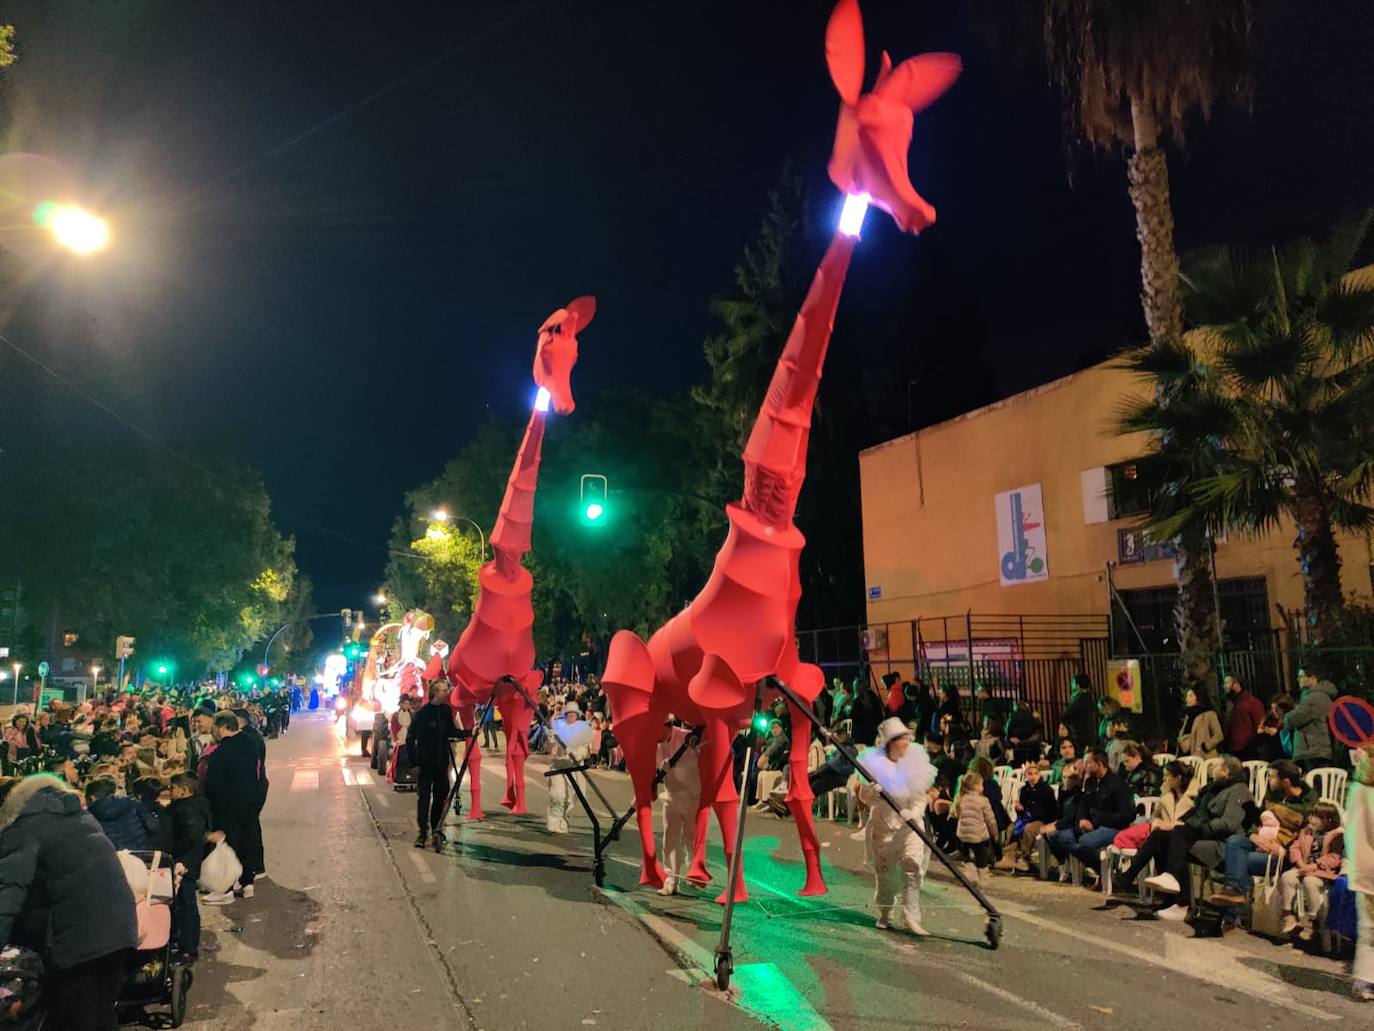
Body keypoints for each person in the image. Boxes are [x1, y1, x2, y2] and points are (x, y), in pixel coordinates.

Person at [0, 774, 138, 1031]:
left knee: (76, 1017)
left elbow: (7, 894)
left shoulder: (24, 828)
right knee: (103, 1012)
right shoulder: (80, 818)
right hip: (120, 927)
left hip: (80, 939)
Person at [1143, 755, 1252, 919]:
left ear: (1225, 771)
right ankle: (1173, 900)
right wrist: (1189, 824)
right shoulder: (1213, 788)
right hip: (1206, 835)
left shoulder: (1239, 790)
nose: (1212, 768)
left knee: (1176, 842)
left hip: (1222, 843)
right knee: (1166, 838)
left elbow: (1228, 824)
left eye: (1216, 765)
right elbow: (1198, 814)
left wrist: (1198, 827)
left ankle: (1182, 904)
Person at [859, 717, 934, 934]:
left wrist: (914, 813)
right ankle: (885, 911)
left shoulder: (915, 764)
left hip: (910, 827)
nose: (907, 742)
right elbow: (865, 796)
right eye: (902, 739)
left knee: (912, 867)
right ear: (891, 742)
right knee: (886, 875)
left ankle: (911, 917)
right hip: (884, 828)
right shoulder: (874, 765)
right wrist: (872, 793)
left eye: (908, 738)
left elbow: (921, 797)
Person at [1208, 758, 1316, 908]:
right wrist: (1253, 835)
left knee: (1236, 860)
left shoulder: (1308, 804)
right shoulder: (1273, 794)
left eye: (1272, 777)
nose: (1268, 780)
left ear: (1285, 782)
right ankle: (1234, 896)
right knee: (1234, 841)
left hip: (1282, 856)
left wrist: (1283, 850)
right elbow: (1257, 818)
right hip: (1261, 843)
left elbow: (1307, 837)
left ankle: (1232, 904)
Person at [1048, 748, 1135, 886]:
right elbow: (1083, 804)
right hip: (1091, 825)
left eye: (1088, 763)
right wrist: (1082, 819)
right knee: (1059, 835)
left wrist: (1100, 821)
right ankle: (1102, 870)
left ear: (1099, 764)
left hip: (1112, 827)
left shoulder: (1118, 784)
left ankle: (1105, 873)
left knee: (1085, 841)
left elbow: (1128, 814)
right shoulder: (1090, 783)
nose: (1085, 765)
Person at [204, 710, 266, 899]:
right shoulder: (250, 743)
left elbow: (213, 784)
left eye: (215, 727)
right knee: (247, 839)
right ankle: (247, 883)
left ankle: (226, 887)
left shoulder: (222, 751)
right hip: (250, 800)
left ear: (222, 727)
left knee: (231, 844)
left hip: (227, 804)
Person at [1111, 760, 1197, 895]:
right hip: (1168, 834)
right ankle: (1166, 897)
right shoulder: (1167, 795)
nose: (1164, 779)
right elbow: (1155, 816)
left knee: (1158, 837)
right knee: (1158, 840)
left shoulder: (1195, 797)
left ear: (1178, 778)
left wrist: (1169, 825)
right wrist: (1157, 823)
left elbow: (1193, 822)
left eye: (1167, 775)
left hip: (1186, 836)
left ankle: (1129, 875)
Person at [1274, 801, 1345, 940]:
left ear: (1328, 820)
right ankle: (1288, 914)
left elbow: (1334, 858)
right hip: (1304, 867)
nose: (1311, 819)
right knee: (1287, 876)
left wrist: (1313, 867)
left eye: (1316, 816)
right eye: (1311, 815)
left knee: (1309, 881)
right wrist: (1300, 864)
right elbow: (1295, 847)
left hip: (1323, 872)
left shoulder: (1336, 835)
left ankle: (1313, 920)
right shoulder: (1306, 832)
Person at [409, 681, 463, 849]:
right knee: (424, 799)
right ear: (435, 692)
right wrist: (414, 762)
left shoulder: (446, 711)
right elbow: (411, 738)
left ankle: (436, 829)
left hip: (441, 763)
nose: (447, 693)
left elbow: (451, 732)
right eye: (444, 690)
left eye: (447, 690)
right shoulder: (422, 714)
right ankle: (422, 833)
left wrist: (468, 733)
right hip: (425, 764)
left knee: (440, 798)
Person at [168, 771, 211, 961]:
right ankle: (189, 942)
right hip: (194, 858)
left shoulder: (182, 809)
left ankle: (188, 947)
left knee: (185, 903)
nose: (170, 791)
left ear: (184, 790)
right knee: (188, 902)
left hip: (185, 861)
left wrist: (172, 850)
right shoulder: (200, 803)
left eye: (173, 788)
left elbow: (191, 835)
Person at [1344, 742, 1374, 1002]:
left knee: (1368, 926)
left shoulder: (1357, 789)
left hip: (1362, 867)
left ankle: (1364, 979)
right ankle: (1365, 980)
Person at [656, 722, 701, 896]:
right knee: (670, 839)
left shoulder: (688, 736)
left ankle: (694, 871)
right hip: (671, 796)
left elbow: (700, 758)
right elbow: (656, 768)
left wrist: (677, 761)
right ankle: (671, 880)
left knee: (692, 838)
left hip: (692, 797)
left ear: (667, 726)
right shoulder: (657, 745)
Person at [546, 702, 594, 834]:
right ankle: (554, 822)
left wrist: (576, 754)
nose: (570, 717)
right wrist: (551, 739)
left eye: (573, 714)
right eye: (568, 714)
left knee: (571, 797)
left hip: (574, 768)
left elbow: (585, 751)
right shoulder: (558, 729)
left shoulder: (583, 730)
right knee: (558, 795)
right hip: (559, 767)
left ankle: (563, 818)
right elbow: (550, 748)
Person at [1005, 763, 1058, 873]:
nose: (1033, 776)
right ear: (1026, 776)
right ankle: (1009, 856)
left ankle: (1025, 858)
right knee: (1011, 827)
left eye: (1035, 774)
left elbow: (1049, 811)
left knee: (1028, 829)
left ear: (1039, 775)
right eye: (1030, 774)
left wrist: (1026, 812)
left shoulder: (1046, 790)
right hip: (1026, 817)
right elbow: (1023, 809)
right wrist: (1018, 808)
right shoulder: (1024, 790)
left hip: (1042, 820)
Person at [1285, 667, 1336, 772]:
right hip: (1315, 750)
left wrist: (1286, 717)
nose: (1298, 680)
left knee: (1316, 784)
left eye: (1301, 676)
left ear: (1313, 678)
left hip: (1314, 751)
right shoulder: (1318, 696)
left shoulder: (1314, 698)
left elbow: (1292, 719)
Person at [954, 772, 998, 889]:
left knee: (967, 857)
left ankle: (970, 873)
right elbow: (990, 820)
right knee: (982, 860)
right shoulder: (983, 801)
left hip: (963, 835)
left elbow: (957, 815)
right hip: (979, 836)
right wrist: (995, 833)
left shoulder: (960, 799)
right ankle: (983, 879)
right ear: (977, 785)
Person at [86, 776, 151, 851]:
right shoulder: (131, 803)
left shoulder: (90, 815)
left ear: (92, 797)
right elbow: (152, 826)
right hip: (143, 853)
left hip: (114, 857)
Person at [1222, 675, 1266, 760]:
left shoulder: (1251, 702)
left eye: (1227, 682)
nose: (1224, 686)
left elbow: (1260, 725)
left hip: (1248, 750)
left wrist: (1252, 743)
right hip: (1234, 749)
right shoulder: (1230, 704)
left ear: (1236, 684)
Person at [1176, 688, 1223, 759]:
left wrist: (1205, 746)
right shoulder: (1188, 716)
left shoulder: (1209, 714)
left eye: (1190, 696)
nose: (1187, 699)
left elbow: (1219, 735)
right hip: (1188, 756)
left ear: (1198, 698)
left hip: (1204, 757)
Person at [808, 727, 854, 796]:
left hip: (840, 777)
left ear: (841, 736)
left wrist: (813, 776)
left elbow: (831, 765)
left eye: (835, 739)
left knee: (815, 785)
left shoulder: (848, 749)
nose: (833, 741)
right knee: (814, 783)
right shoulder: (841, 748)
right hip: (835, 774)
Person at [1060, 674, 1096, 753]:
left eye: (1073, 683)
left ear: (1078, 685)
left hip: (1080, 738)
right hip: (1090, 736)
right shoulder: (1090, 698)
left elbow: (1065, 716)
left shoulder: (1080, 700)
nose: (1071, 685)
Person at [1005, 698, 1042, 767]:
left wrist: (1010, 739)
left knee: (1019, 766)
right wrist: (1037, 719)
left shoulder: (1013, 715)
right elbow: (1038, 728)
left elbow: (1009, 729)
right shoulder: (1032, 715)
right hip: (1032, 747)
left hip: (1018, 747)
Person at [850, 678, 885, 749]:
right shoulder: (873, 696)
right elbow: (879, 715)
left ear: (855, 688)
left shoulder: (856, 701)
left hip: (860, 734)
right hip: (873, 732)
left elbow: (854, 717)